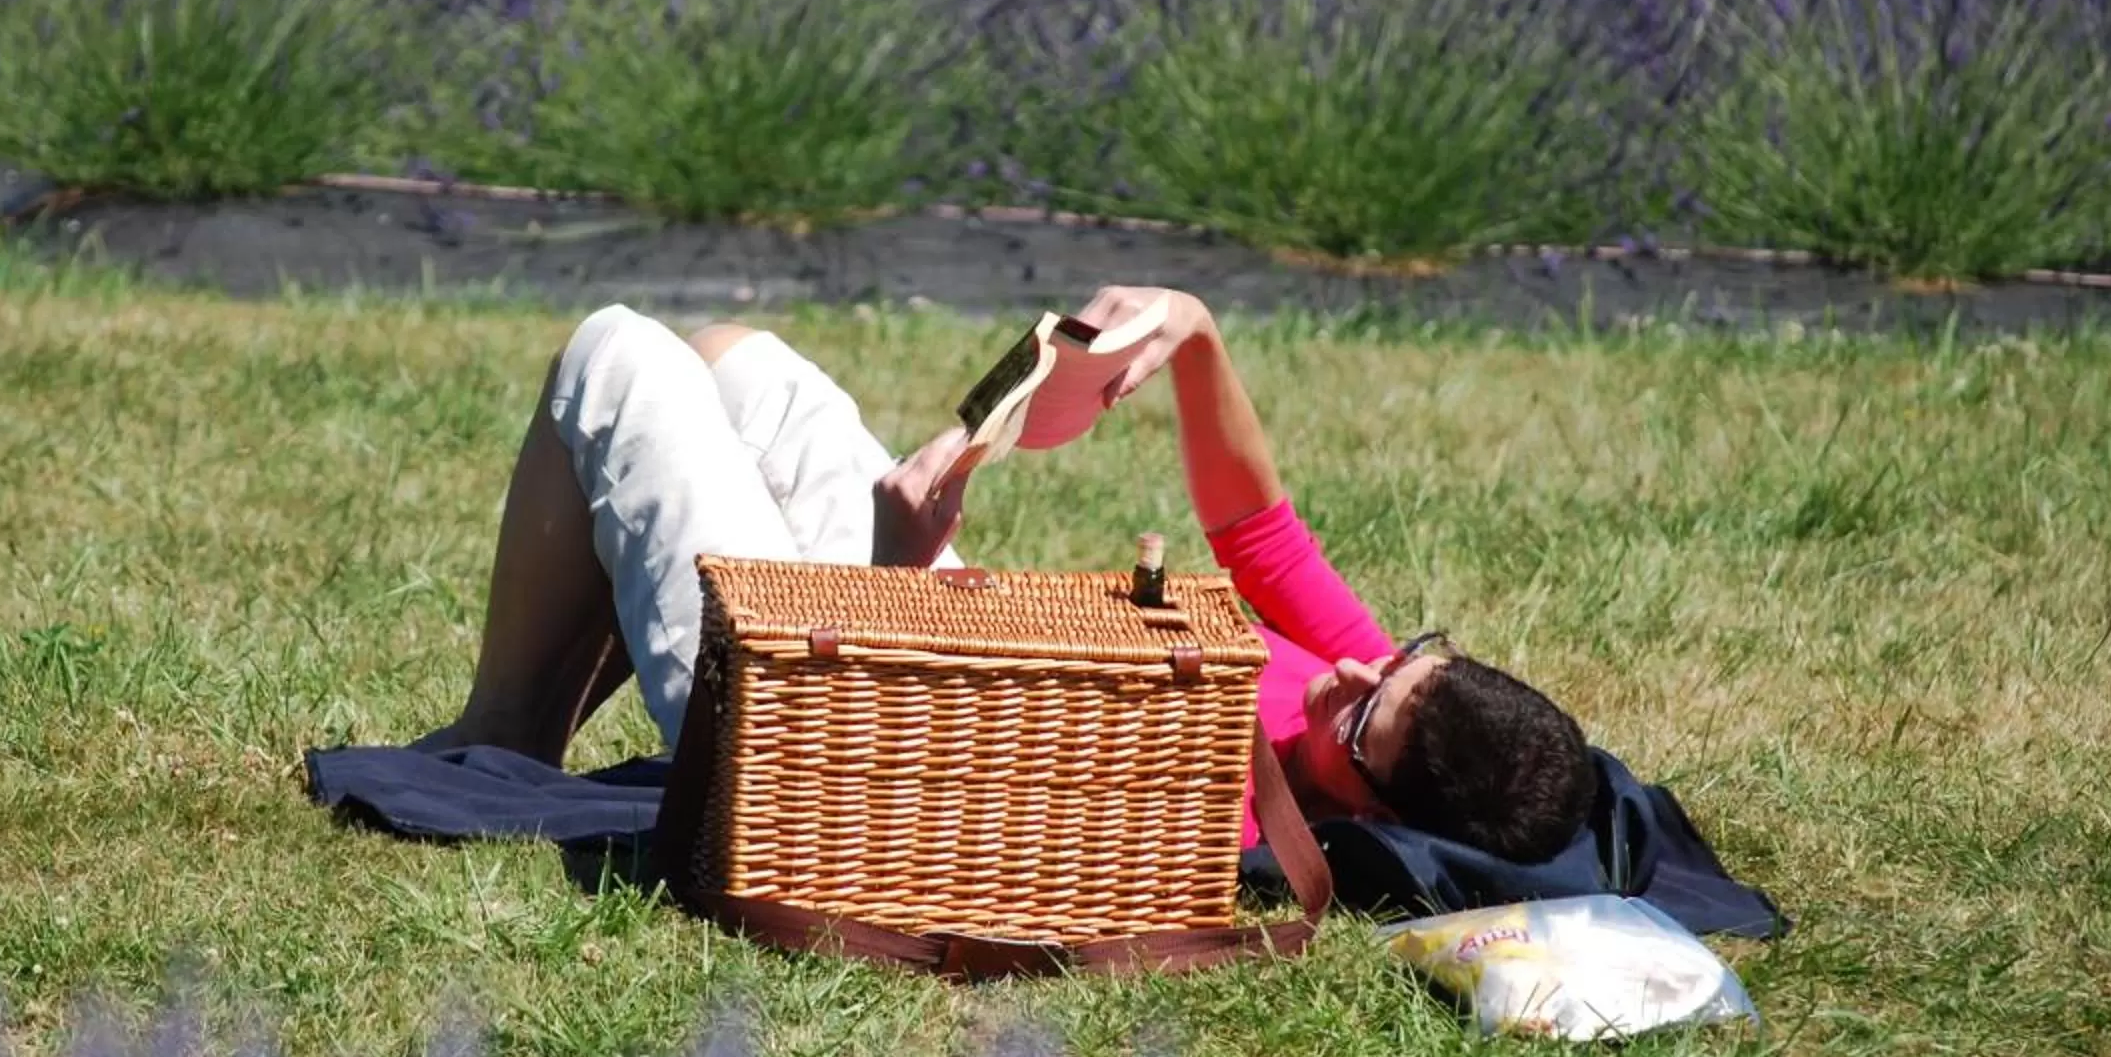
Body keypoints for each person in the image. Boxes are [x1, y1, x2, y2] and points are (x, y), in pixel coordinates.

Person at [430, 286, 1597, 860]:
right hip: (918, 628)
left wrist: (902, 571)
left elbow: (927, 783)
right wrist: (1193, 330)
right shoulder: (1359, 680)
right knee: (742, 363)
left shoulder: (1216, 820)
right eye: (1400, 660)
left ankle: (504, 739)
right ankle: (518, 722)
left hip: (816, 733)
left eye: (1364, 717)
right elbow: (1261, 532)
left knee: (621, 353)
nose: (1344, 669)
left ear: (1375, 815)